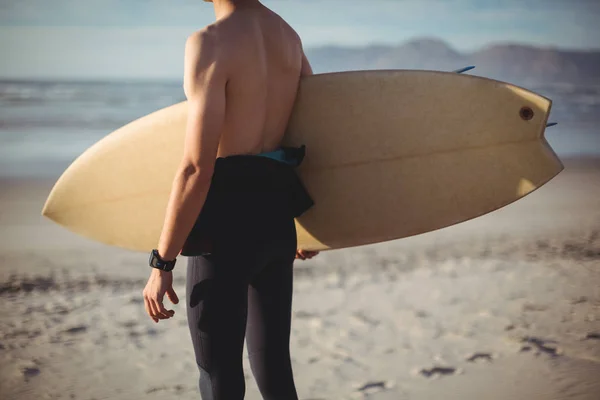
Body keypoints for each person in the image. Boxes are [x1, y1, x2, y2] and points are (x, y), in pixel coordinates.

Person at [142, 0, 319, 398]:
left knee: (218, 375)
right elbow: (314, 130)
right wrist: (315, 228)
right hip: (277, 216)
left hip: (225, 225)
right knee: (274, 368)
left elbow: (195, 168)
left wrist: (162, 262)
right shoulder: (289, 38)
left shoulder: (210, 42)